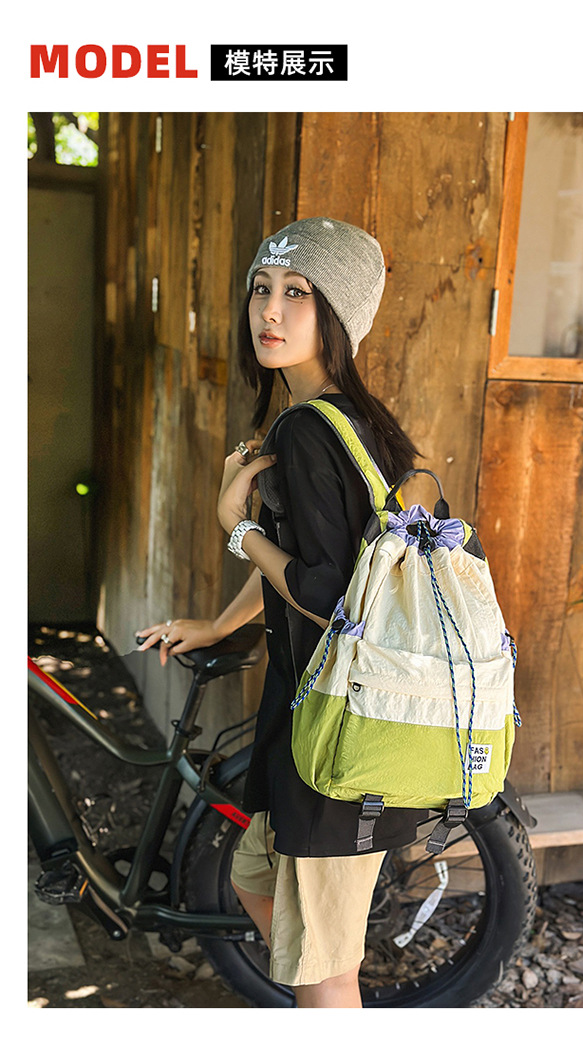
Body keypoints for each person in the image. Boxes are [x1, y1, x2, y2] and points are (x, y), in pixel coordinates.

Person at [137, 217, 425, 1008]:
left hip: (335, 731)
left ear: (339, 315)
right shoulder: (348, 419)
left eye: (298, 293)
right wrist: (221, 621)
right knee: (256, 881)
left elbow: (327, 597)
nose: (270, 309)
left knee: (322, 971)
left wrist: (238, 529)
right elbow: (316, 563)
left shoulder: (308, 431)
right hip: (318, 723)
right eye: (262, 288)